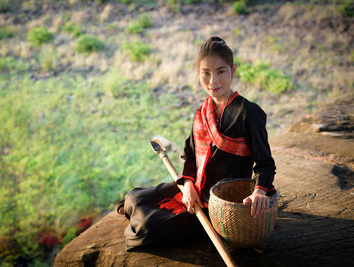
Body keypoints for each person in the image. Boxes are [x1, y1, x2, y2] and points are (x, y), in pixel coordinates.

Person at [115, 36, 276, 251]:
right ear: (198, 73)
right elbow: (190, 156)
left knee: (148, 227)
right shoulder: (202, 112)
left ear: (233, 70)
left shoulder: (250, 113)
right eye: (206, 73)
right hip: (195, 190)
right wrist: (189, 186)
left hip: (219, 204)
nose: (213, 82)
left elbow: (265, 163)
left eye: (221, 72)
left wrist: (259, 192)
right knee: (134, 197)